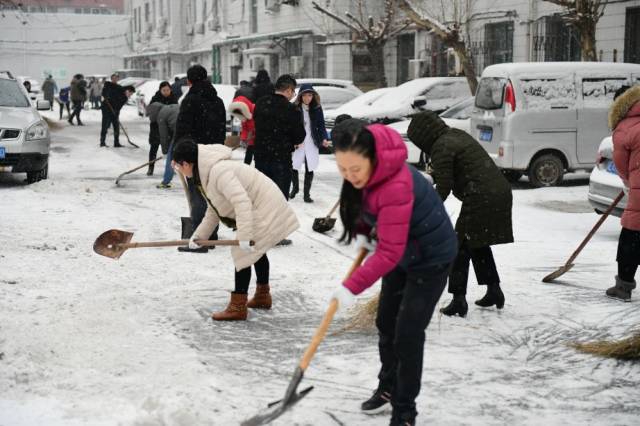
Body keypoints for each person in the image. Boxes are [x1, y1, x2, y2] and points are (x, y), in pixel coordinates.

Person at [330, 120, 457, 426]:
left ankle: (404, 411)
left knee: (408, 335)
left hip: (431, 259)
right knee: (385, 321)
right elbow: (363, 205)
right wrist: (362, 231)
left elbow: (389, 252)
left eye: (355, 170)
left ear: (372, 158)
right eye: (343, 169)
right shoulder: (363, 172)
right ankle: (388, 387)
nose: (350, 176)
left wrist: (351, 286)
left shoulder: (396, 184)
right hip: (405, 252)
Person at [171, 139, 299, 321]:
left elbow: (242, 202)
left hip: (264, 207)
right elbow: (214, 210)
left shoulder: (219, 172)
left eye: (178, 166)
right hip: (258, 206)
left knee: (243, 253)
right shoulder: (206, 174)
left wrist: (245, 236)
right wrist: (199, 236)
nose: (179, 170)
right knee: (256, 251)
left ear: (186, 163)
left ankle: (238, 307)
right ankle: (263, 296)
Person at [407, 110, 514, 317]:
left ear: (423, 136)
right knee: (477, 242)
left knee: (459, 247)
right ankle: (494, 290)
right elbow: (447, 171)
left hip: (481, 195)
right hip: (497, 191)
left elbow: (444, 185)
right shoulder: (454, 136)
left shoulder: (441, 146)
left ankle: (458, 300)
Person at [174, 64, 227, 252]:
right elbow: (222, 129)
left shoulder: (190, 101)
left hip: (195, 153)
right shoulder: (218, 101)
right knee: (212, 194)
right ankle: (211, 235)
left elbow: (182, 129)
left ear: (189, 81)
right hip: (215, 153)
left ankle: (199, 238)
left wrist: (178, 154)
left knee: (198, 195)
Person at [253, 74, 306, 246]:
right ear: (289, 89)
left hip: (261, 156)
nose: (293, 95)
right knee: (279, 196)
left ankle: (258, 232)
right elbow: (299, 136)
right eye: (293, 91)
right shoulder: (291, 109)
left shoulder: (261, 103)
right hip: (281, 158)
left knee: (260, 194)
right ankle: (275, 235)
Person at [606, 84, 640, 301]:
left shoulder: (624, 126)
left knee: (631, 236)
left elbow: (620, 164)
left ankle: (623, 286)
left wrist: (629, 184)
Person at [290, 83, 330, 203]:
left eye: (310, 95)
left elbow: (321, 125)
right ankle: (295, 188)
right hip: (299, 140)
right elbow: (291, 126)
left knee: (310, 166)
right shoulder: (295, 108)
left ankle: (306, 194)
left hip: (312, 141)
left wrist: (324, 138)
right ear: (300, 96)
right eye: (305, 95)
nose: (308, 98)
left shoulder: (317, 108)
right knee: (293, 165)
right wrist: (293, 140)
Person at [145, 81, 178, 175]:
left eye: (168, 90)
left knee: (172, 148)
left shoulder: (174, 98)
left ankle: (171, 168)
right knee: (154, 147)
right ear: (160, 90)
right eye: (164, 90)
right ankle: (151, 167)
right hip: (156, 127)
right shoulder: (155, 99)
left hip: (169, 128)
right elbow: (150, 114)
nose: (166, 92)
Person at [147, 102, 180, 189]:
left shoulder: (161, 115)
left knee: (170, 156)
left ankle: (165, 182)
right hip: (195, 130)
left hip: (181, 132)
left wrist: (166, 151)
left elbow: (163, 136)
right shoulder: (173, 106)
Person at [100, 74, 135, 147]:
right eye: (130, 93)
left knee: (116, 125)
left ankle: (116, 142)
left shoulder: (122, 92)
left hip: (115, 111)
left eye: (131, 94)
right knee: (105, 125)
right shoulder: (108, 85)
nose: (130, 95)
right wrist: (106, 97)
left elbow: (119, 106)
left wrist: (116, 112)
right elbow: (104, 94)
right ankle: (102, 142)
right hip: (106, 108)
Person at [228, 95, 255, 165]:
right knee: (249, 154)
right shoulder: (244, 117)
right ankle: (246, 167)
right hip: (251, 140)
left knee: (259, 158)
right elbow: (245, 129)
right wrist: (243, 139)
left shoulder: (256, 110)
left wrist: (253, 133)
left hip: (260, 139)